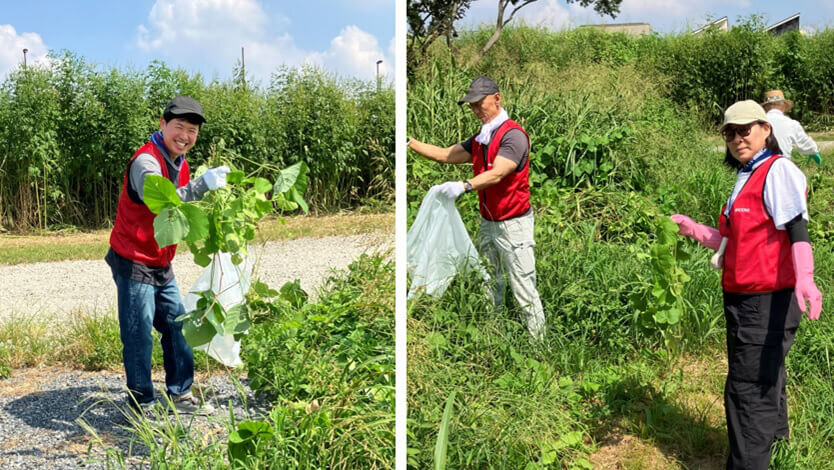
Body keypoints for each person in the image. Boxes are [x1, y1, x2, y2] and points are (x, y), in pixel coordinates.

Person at [671, 100, 822, 469]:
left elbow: (797, 227)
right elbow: (732, 239)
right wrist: (693, 229)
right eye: (730, 133)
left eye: (745, 130)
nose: (738, 138)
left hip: (766, 297)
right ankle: (775, 440)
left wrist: (806, 277)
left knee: (747, 391)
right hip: (744, 295)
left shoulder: (777, 170)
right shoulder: (747, 175)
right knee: (764, 375)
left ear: (765, 129)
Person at [106, 96, 231, 416]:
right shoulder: (145, 162)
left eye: (192, 130)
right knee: (139, 333)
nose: (185, 136)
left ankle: (180, 393)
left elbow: (181, 214)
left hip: (160, 260)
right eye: (179, 127)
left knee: (179, 325)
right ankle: (141, 403)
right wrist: (202, 187)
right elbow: (160, 201)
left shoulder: (182, 162)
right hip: (133, 258)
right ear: (162, 126)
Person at [407, 76, 545, 341]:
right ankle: (493, 336)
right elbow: (446, 154)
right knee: (491, 282)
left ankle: (539, 348)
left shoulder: (512, 136)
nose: (477, 110)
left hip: (514, 225)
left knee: (523, 287)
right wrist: (410, 143)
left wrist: (465, 185)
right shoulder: (482, 138)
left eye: (480, 104)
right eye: (472, 106)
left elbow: (498, 173)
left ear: (497, 98)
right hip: (488, 222)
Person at [762, 89, 821, 166]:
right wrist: (813, 151)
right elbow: (804, 142)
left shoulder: (758, 123)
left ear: (765, 108)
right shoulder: (791, 124)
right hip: (783, 166)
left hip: (760, 167)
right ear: (783, 106)